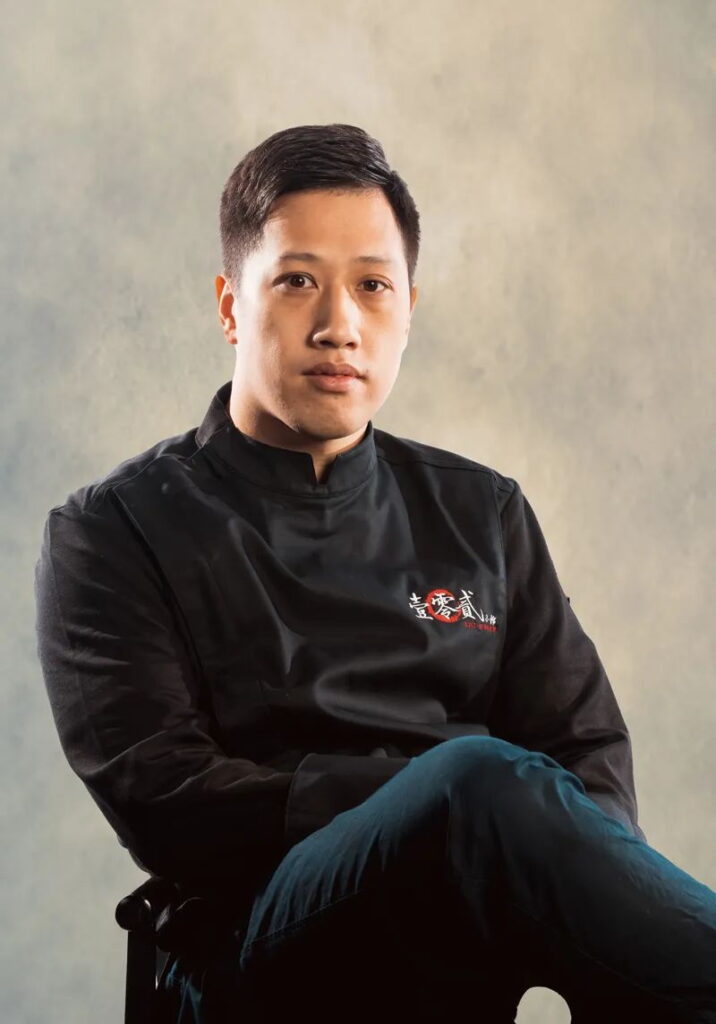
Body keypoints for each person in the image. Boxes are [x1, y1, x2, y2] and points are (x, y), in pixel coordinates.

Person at [33, 123, 716, 1024]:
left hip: (473, 917)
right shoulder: (111, 529)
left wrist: (534, 859)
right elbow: (165, 797)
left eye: (372, 286)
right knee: (477, 783)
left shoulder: (482, 510)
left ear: (408, 311)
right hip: (254, 940)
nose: (339, 326)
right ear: (231, 306)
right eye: (297, 281)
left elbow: (587, 753)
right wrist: (431, 803)